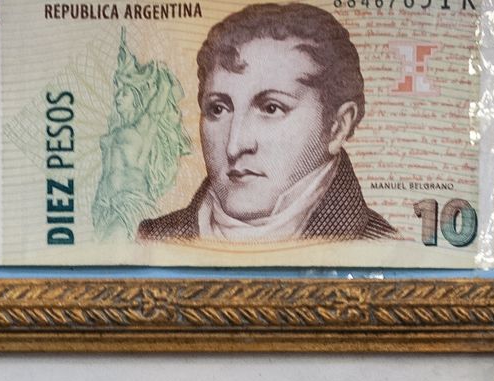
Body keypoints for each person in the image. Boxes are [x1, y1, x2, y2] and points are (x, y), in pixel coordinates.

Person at [137, 2, 398, 244]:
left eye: (271, 108)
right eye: (218, 109)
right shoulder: (150, 239)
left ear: (337, 127)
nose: (234, 145)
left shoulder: (383, 244)